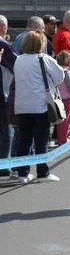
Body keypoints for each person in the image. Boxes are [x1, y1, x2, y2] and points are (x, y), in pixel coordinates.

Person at [13, 31, 64, 183]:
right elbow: (60, 77)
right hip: (40, 104)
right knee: (41, 140)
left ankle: (22, 172)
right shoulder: (44, 58)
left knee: (24, 139)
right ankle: (43, 172)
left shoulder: (18, 60)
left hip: (22, 104)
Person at [0, 28, 17, 177]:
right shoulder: (3, 44)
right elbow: (15, 64)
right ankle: (4, 165)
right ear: (3, 28)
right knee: (6, 130)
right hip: (3, 94)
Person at [56, 51, 70, 146]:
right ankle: (63, 139)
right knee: (67, 119)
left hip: (59, 97)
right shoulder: (67, 71)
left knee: (60, 119)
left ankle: (60, 137)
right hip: (67, 97)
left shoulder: (57, 70)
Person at [53, 11, 70, 80]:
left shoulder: (59, 33)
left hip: (61, 72)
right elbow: (67, 58)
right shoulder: (66, 36)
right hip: (68, 74)